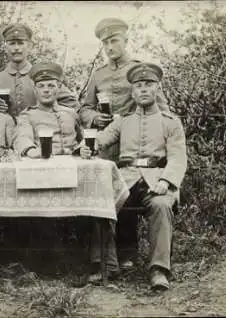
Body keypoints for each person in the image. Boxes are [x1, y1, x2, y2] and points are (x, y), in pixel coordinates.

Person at [82, 62, 187, 290]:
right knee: (102, 200)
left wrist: (165, 181)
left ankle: (159, 270)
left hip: (157, 179)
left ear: (157, 89)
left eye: (148, 84)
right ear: (133, 91)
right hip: (126, 178)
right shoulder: (123, 120)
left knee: (161, 205)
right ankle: (105, 265)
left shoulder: (171, 122)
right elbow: (102, 140)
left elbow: (178, 158)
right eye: (138, 85)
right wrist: (87, 146)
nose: (143, 89)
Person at [79, 18, 170, 268]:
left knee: (134, 190)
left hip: (137, 143)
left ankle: (128, 254)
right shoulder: (98, 74)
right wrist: (97, 117)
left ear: (126, 40)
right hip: (107, 145)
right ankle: (108, 259)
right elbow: (84, 109)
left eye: (114, 40)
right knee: (113, 194)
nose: (109, 47)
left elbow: (162, 109)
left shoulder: (139, 70)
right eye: (105, 43)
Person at [0, 23, 80, 119]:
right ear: (5, 46)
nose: (16, 48)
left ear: (29, 46)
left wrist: (52, 114)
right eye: (12, 43)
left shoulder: (42, 76)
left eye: (20, 43)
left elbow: (73, 104)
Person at [13, 63, 86, 158]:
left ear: (59, 88)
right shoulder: (27, 116)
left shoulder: (71, 113)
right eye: (41, 86)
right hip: (44, 162)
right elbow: (22, 138)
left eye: (51, 85)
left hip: (73, 162)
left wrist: (82, 149)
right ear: (35, 90)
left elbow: (84, 137)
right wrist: (31, 151)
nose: (46, 90)